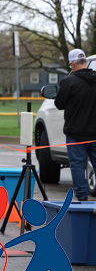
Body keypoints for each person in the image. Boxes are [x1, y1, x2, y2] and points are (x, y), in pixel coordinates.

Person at [54, 48, 96, 202]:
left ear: (72, 64)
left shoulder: (69, 82)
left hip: (75, 132)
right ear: (85, 62)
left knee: (78, 166)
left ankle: (82, 197)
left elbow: (59, 104)